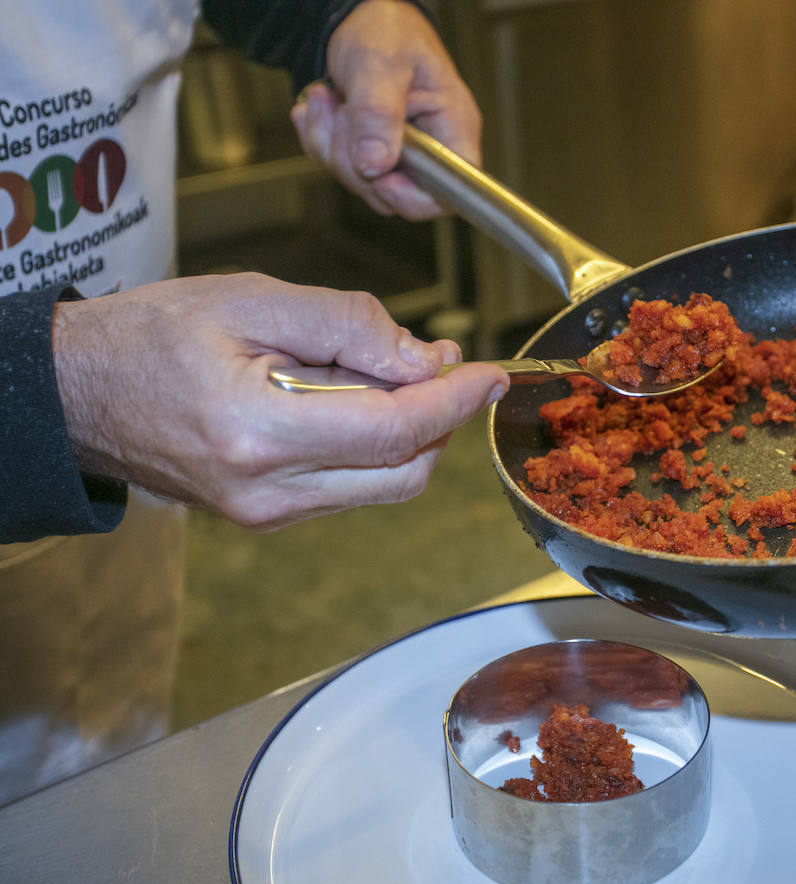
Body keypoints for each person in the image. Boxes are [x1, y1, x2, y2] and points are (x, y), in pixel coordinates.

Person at [0, 0, 506, 805]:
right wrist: (60, 388)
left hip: (134, 475)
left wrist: (339, 19)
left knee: (111, 792)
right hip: (88, 405)